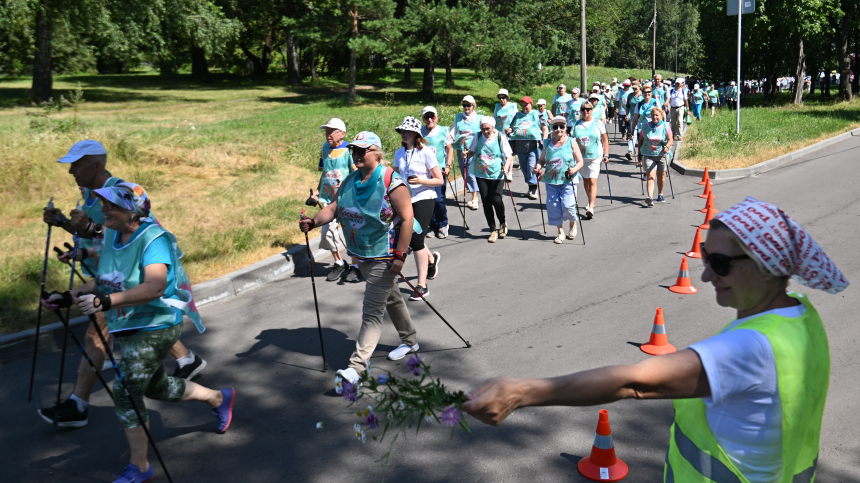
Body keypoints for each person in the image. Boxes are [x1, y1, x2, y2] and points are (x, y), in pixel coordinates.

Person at [463, 196, 848, 483]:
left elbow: (634, 383)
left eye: (721, 263)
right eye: (704, 259)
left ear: (769, 266)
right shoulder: (799, 317)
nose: (707, 277)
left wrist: (522, 392)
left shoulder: (750, 348)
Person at [43, 182, 233, 483]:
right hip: (129, 326)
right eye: (104, 203)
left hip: (157, 325)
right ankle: (217, 398)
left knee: (125, 392)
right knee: (157, 388)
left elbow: (154, 286)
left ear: (131, 211)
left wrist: (105, 302)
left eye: (112, 205)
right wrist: (68, 297)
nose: (104, 208)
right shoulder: (113, 239)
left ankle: (140, 467)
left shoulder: (152, 239)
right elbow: (106, 280)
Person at [38, 140, 207, 430]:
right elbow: (100, 239)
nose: (71, 173)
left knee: (98, 332)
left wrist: (88, 230)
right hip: (106, 277)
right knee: (140, 327)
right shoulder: (90, 196)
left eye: (76, 165)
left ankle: (79, 404)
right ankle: (189, 361)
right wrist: (68, 227)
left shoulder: (125, 191)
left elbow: (139, 230)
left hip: (127, 280)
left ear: (96, 165)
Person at [300, 131, 420, 385]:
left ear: (376, 153)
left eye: (361, 150)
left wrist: (400, 255)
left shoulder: (392, 181)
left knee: (372, 310)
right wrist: (313, 222)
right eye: (353, 149)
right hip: (361, 251)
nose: (355, 154)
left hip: (384, 254)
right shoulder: (351, 179)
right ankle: (410, 341)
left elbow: (408, 218)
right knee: (392, 298)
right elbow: (333, 207)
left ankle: (356, 367)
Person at [393, 116, 444, 300]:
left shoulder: (426, 152)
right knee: (415, 237)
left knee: (415, 241)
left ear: (416, 134)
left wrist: (422, 180)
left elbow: (439, 179)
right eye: (402, 131)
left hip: (424, 197)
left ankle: (422, 285)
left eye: (407, 131)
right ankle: (430, 259)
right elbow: (395, 178)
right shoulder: (399, 153)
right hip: (406, 199)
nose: (403, 134)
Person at [308, 118, 361, 283]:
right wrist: (317, 191)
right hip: (327, 200)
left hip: (347, 199)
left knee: (351, 234)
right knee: (328, 234)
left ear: (342, 133)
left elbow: (357, 174)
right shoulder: (325, 148)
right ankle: (339, 262)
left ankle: (356, 267)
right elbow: (325, 173)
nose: (328, 135)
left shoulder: (349, 150)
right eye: (326, 131)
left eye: (332, 131)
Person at [534, 116, 584, 244]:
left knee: (568, 205)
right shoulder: (547, 143)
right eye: (555, 127)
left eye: (561, 126)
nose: (558, 129)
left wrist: (574, 169)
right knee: (554, 206)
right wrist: (538, 167)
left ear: (565, 127)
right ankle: (560, 232)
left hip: (568, 179)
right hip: (551, 180)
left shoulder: (571, 141)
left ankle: (573, 224)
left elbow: (580, 161)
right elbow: (542, 160)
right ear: (552, 128)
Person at [468, 116, 514, 242]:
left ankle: (503, 223)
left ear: (493, 127)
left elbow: (509, 156)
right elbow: (472, 151)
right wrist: (466, 154)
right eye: (482, 129)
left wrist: (506, 167)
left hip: (497, 173)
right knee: (486, 201)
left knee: (496, 199)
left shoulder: (500, 137)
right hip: (481, 173)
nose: (485, 131)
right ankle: (493, 229)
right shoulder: (478, 137)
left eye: (487, 128)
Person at [571, 101, 609, 220]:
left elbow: (604, 140)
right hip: (581, 158)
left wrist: (606, 154)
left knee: (593, 181)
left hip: (595, 156)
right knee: (586, 181)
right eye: (583, 109)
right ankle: (589, 200)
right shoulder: (576, 124)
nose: (585, 111)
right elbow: (572, 140)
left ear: (592, 110)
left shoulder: (597, 123)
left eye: (588, 109)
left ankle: (591, 207)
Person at [422, 106, 454, 240]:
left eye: (432, 116)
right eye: (427, 117)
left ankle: (443, 224)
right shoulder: (419, 131)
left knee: (439, 199)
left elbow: (450, 149)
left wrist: (448, 165)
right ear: (423, 119)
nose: (430, 119)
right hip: (424, 172)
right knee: (428, 200)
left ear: (436, 117)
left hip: (439, 170)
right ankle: (433, 225)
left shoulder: (443, 130)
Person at [507, 96, 542, 200]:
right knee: (525, 168)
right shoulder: (517, 115)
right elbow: (512, 127)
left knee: (532, 167)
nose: (524, 106)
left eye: (526, 104)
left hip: (533, 146)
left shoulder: (537, 114)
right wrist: (508, 130)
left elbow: (544, 127)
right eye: (522, 105)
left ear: (531, 104)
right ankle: (530, 188)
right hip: (520, 147)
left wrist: (544, 139)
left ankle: (534, 190)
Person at [638, 107, 673, 206]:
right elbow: (640, 140)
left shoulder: (665, 126)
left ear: (661, 116)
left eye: (657, 115)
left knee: (661, 175)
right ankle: (650, 197)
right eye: (653, 115)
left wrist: (667, 147)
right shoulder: (645, 126)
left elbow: (670, 139)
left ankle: (660, 194)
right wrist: (639, 153)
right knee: (650, 175)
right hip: (648, 155)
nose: (655, 117)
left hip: (661, 154)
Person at [452, 95, 481, 211]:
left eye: (468, 105)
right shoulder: (458, 117)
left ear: (473, 105)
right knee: (465, 173)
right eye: (464, 105)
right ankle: (474, 193)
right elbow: (453, 131)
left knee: (470, 172)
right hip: (461, 149)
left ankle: (475, 198)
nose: (466, 107)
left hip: (474, 149)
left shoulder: (479, 118)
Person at [625, 85, 643, 161]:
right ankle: (630, 151)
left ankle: (642, 154)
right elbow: (627, 106)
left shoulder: (643, 96)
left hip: (642, 118)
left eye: (636, 88)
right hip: (633, 117)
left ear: (639, 87)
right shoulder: (630, 95)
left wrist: (639, 117)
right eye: (633, 88)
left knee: (641, 136)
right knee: (633, 134)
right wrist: (626, 114)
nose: (634, 89)